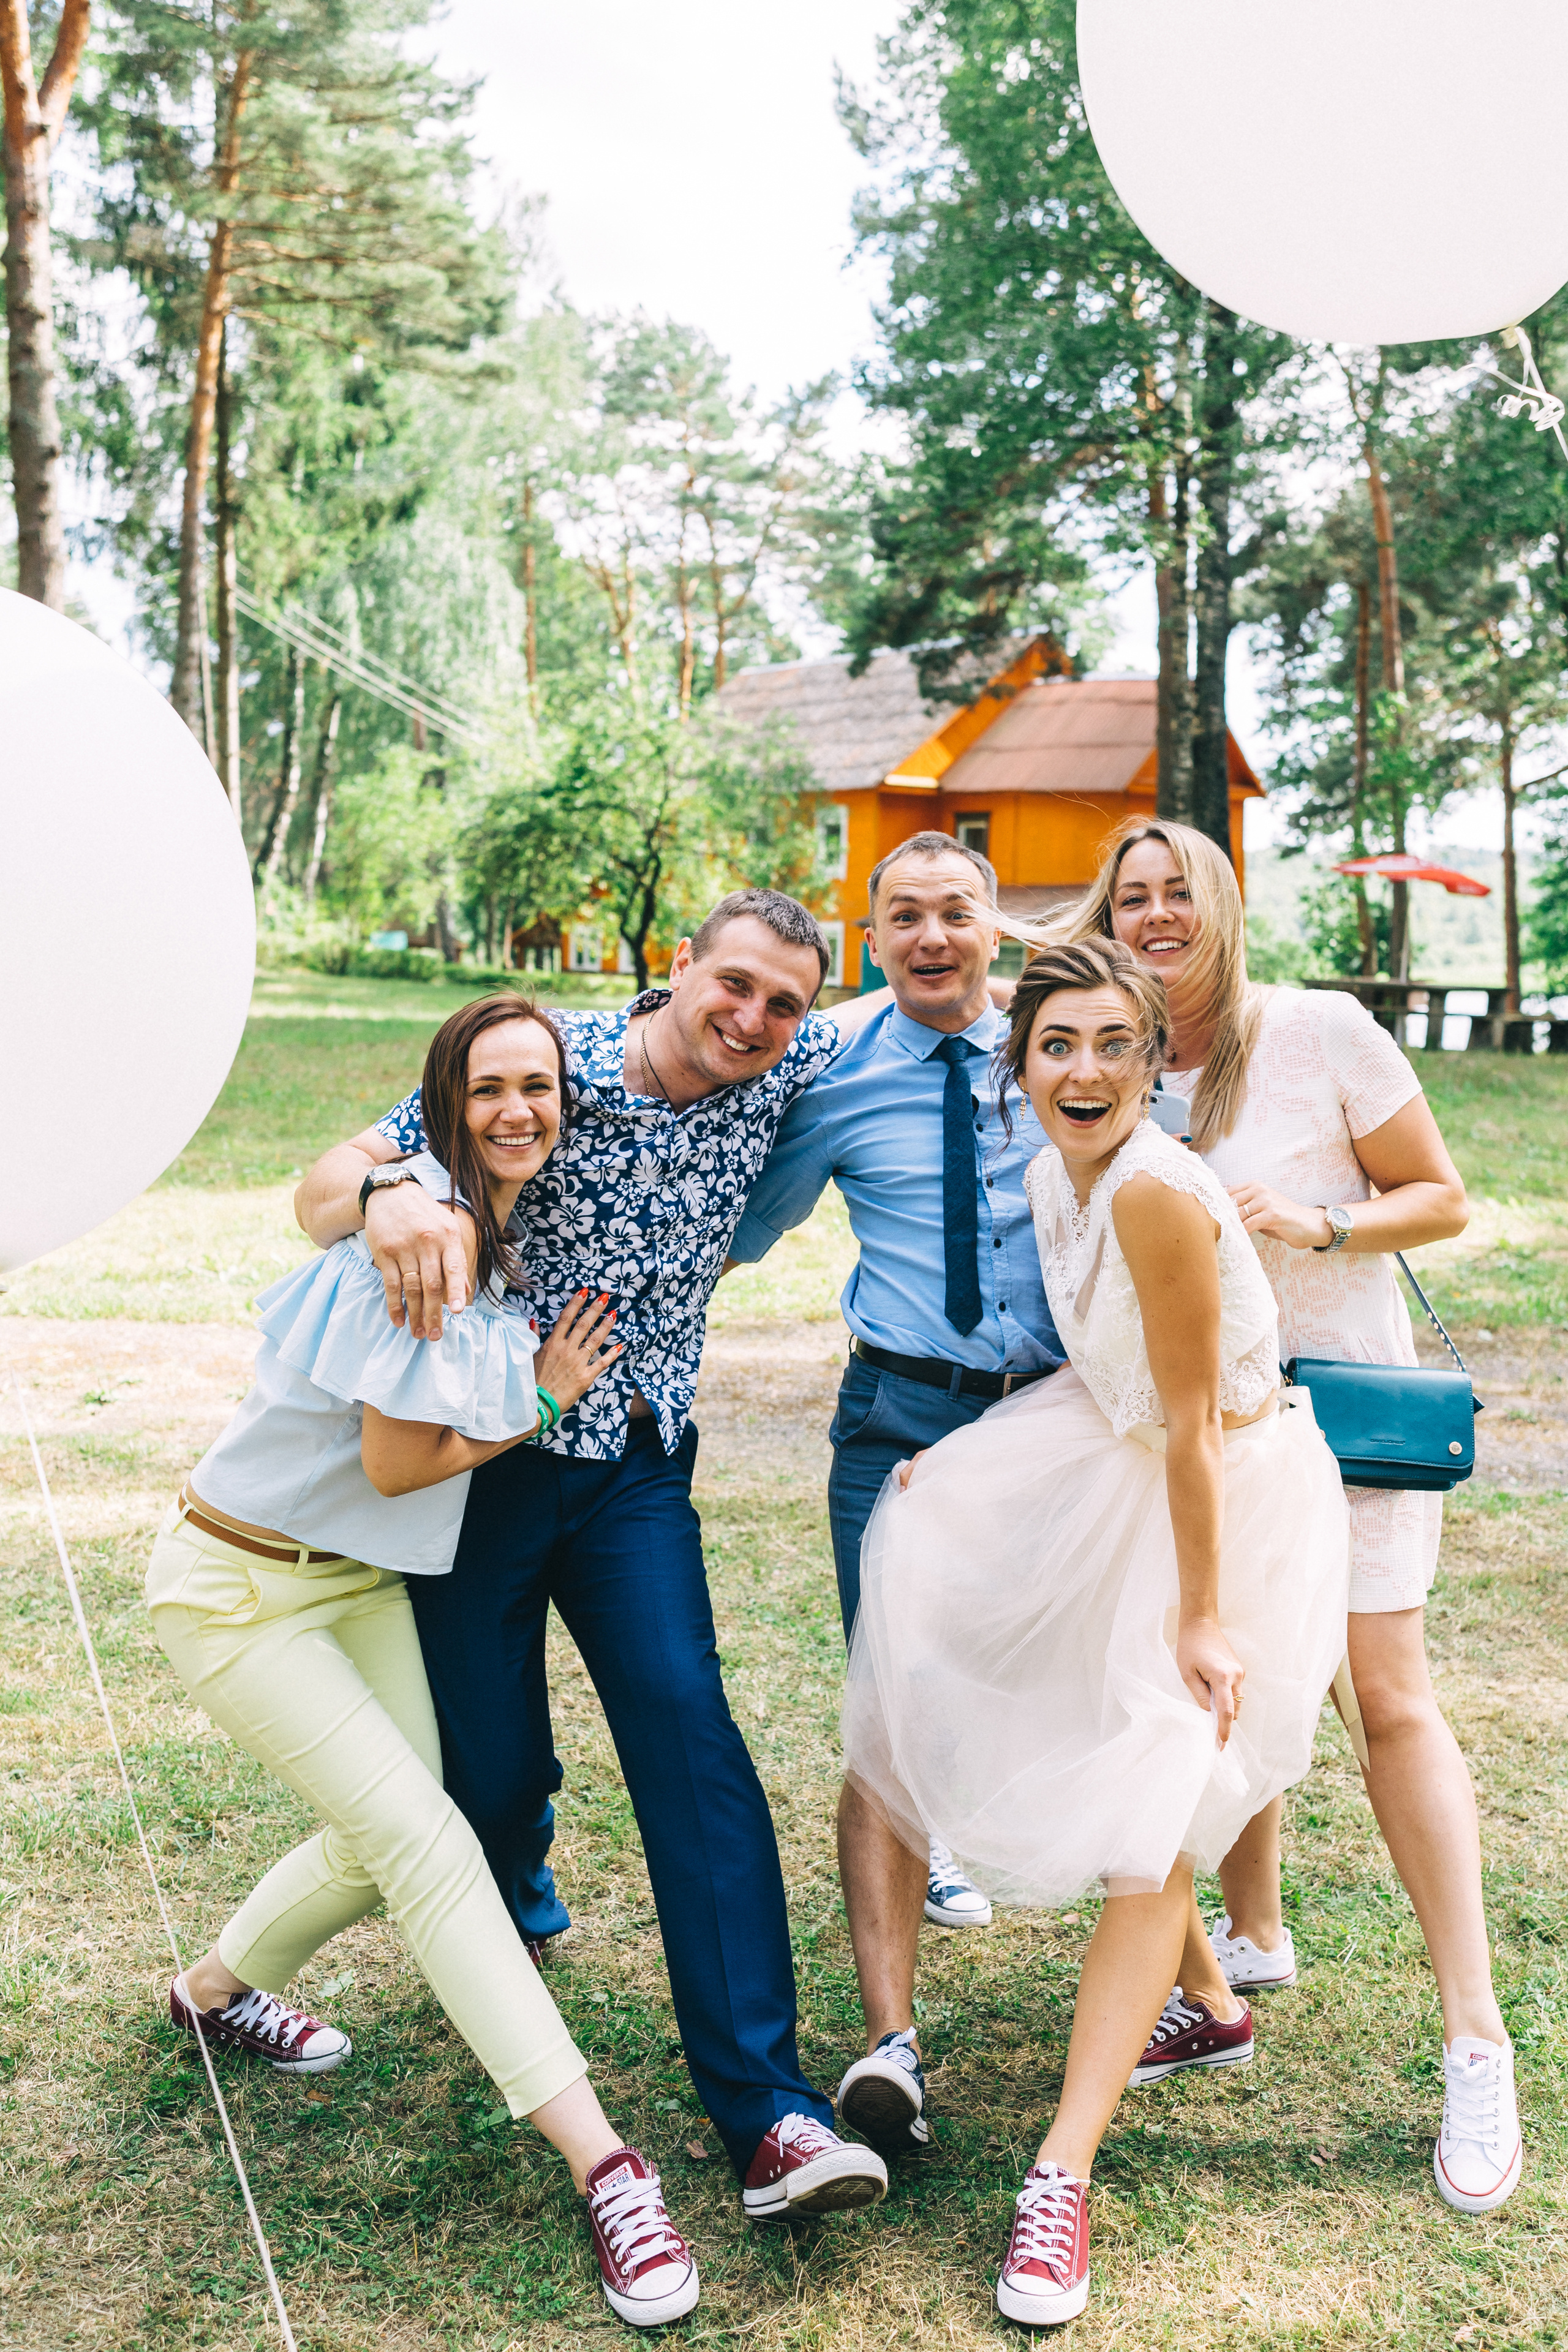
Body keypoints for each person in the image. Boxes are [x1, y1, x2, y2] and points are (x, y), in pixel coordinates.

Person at [292, 891, 891, 2224]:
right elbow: (318, 1186)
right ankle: (513, 1877)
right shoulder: (538, 1065)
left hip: (632, 1467)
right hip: (482, 1472)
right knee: (486, 1777)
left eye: (780, 1003)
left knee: (691, 1736)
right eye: (729, 985)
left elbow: (915, 989)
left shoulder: (785, 1057)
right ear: (675, 967)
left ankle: (772, 2117)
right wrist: (391, 1192)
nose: (748, 1018)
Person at [148, 995, 701, 2328]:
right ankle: (606, 2165)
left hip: (351, 1587)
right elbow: (400, 1466)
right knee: (434, 1850)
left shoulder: (483, 1244)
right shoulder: (424, 1244)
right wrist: (549, 1401)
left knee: (387, 1834)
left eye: (542, 1088)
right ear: (442, 1104)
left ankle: (212, 1992)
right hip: (237, 1591)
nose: (520, 1109)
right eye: (490, 1087)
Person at [839, 938, 1351, 2326]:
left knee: (1149, 1806)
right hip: (1122, 1458)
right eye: (1055, 1045)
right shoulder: (1045, 1173)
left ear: (1150, 1060)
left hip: (1225, 1498)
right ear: (1021, 1063)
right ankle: (1212, 2008)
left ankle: (1057, 2175)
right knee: (1012, 1654)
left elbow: (1191, 1418)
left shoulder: (1152, 1194)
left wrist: (1199, 1617)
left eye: (1112, 1046)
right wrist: (961, 1462)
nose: (1082, 1071)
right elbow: (1105, 1374)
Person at [1063, 818, 1520, 2217]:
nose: (1151, 917)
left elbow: (1439, 1198)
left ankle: (1473, 2040)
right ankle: (1237, 1956)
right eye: (1126, 897)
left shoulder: (1317, 1032)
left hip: (1345, 1424)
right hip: (1214, 1443)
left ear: (1220, 905)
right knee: (1217, 1692)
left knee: (1385, 1698)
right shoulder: (1109, 1059)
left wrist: (1318, 1225)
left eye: (1173, 894)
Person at [726, 831, 1068, 2149]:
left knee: (1066, 1673)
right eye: (904, 917)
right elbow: (748, 1229)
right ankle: (888, 2045)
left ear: (997, 928)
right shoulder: (831, 1065)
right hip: (896, 1413)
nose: (932, 937)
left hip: (1049, 1420)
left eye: (956, 913)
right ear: (871, 938)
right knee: (889, 1690)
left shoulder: (1063, 1047)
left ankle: (1192, 1971)